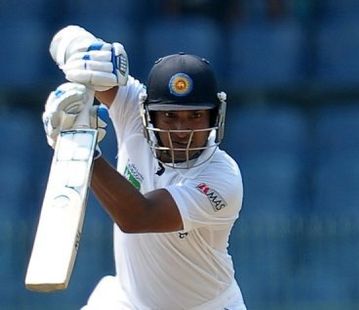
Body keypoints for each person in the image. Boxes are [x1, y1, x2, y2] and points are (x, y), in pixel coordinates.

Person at [42, 25, 246, 309]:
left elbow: (137, 217)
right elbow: (63, 38)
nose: (181, 129)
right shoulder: (133, 111)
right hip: (128, 301)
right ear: (148, 114)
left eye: (195, 115)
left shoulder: (222, 177)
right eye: (169, 116)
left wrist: (82, 148)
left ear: (215, 115)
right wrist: (83, 55)